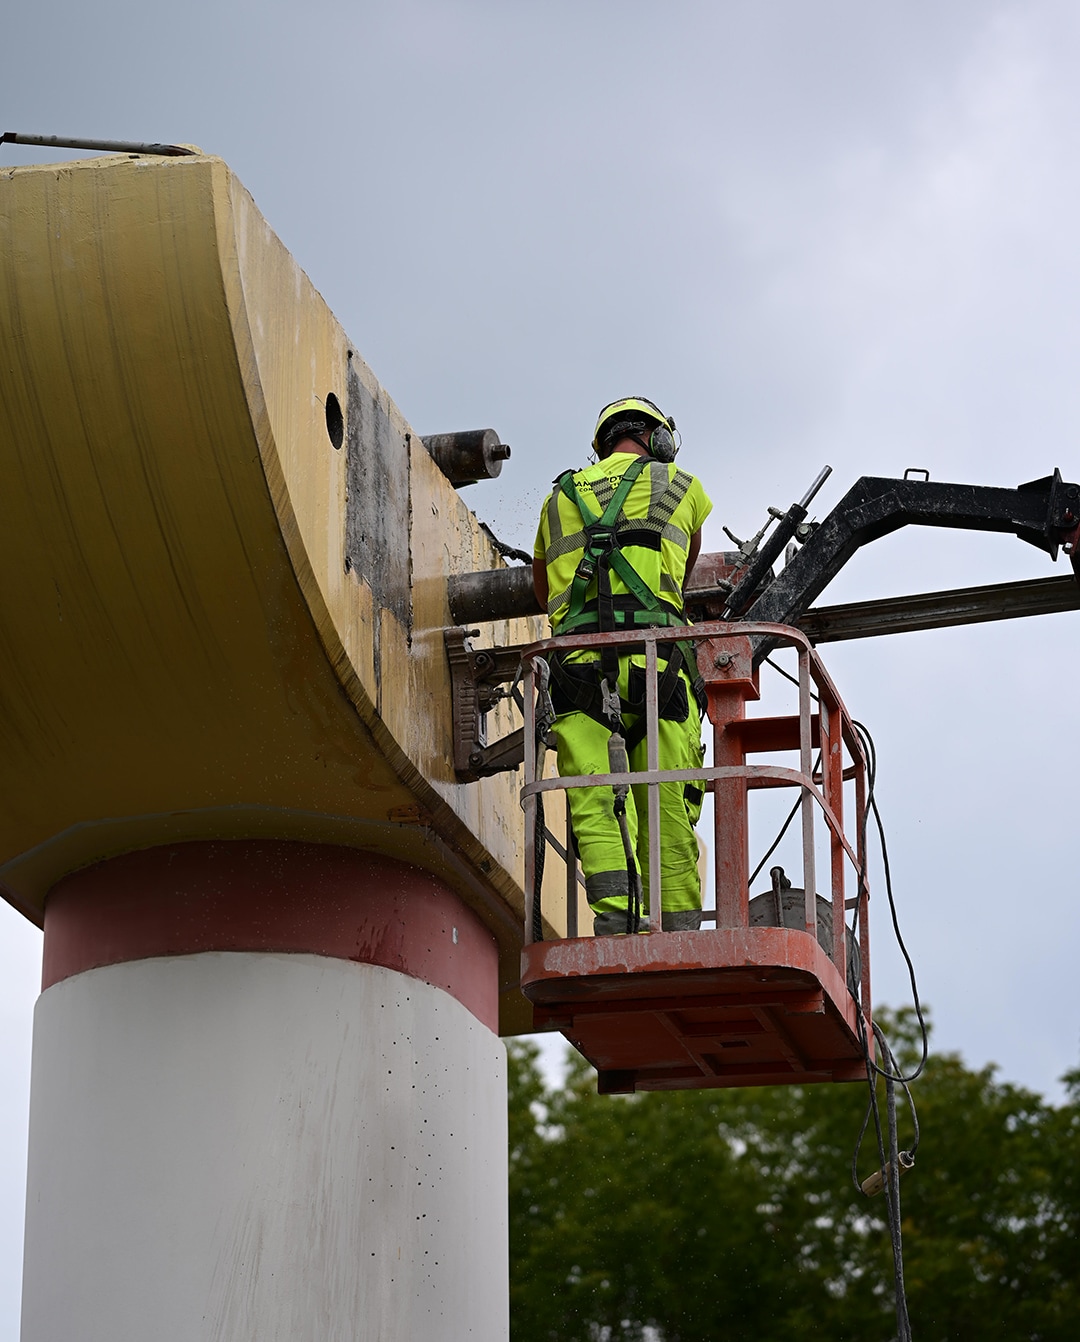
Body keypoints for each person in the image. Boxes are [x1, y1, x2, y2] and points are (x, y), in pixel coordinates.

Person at [532, 397, 712, 935]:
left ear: (602, 445)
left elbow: (542, 590)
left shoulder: (558, 499)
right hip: (660, 672)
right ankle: (676, 936)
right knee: (667, 799)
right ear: (660, 440)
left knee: (597, 800)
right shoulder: (682, 485)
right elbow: (682, 574)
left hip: (577, 675)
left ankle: (617, 925)